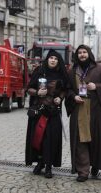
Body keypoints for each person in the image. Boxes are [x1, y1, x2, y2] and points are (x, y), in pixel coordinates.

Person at [65, 45, 101, 182]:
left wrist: (97, 86)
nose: (82, 55)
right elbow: (68, 89)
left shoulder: (100, 69)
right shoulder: (72, 71)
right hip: (79, 108)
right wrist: (73, 97)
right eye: (80, 53)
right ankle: (83, 171)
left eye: (84, 52)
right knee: (81, 140)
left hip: (97, 110)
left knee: (96, 139)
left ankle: (96, 165)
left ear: (89, 54)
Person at [25, 49, 69, 178]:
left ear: (58, 61)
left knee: (51, 139)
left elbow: (65, 89)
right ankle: (40, 163)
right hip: (39, 111)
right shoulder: (39, 71)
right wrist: (37, 93)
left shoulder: (61, 73)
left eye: (55, 58)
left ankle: (49, 166)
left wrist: (60, 98)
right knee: (39, 138)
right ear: (47, 59)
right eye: (51, 58)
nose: (53, 60)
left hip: (53, 112)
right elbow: (29, 89)